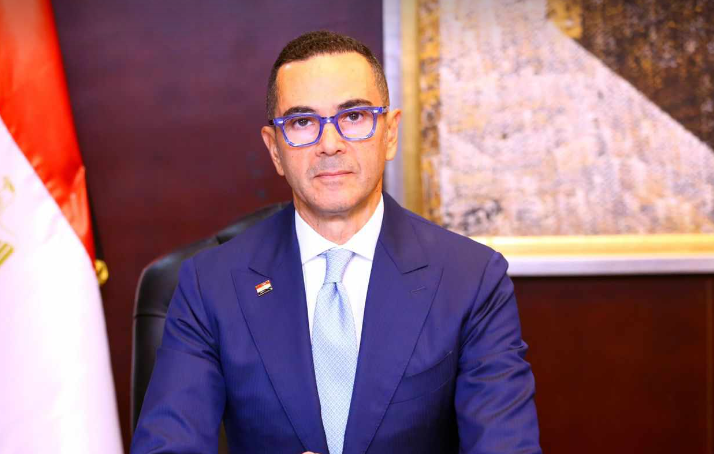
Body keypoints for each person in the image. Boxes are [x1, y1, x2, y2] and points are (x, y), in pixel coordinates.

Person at [131, 30, 541, 454]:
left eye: (354, 117)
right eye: (302, 122)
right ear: (274, 149)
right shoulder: (211, 285)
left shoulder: (471, 280)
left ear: (390, 133)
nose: (330, 144)